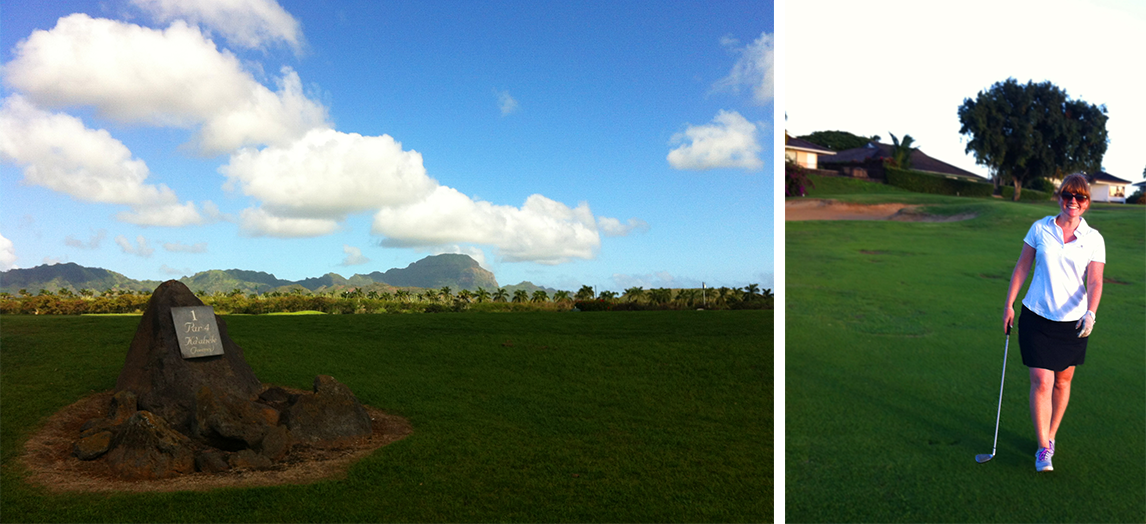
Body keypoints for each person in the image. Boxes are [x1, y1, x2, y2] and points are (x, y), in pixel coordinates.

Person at [1002, 172, 1105, 472]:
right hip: (1036, 315)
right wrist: (1009, 304)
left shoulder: (1094, 239)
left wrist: (1091, 313)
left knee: (1063, 381)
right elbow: (1023, 266)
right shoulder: (1040, 228)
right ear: (1059, 198)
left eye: (1079, 197)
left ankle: (1051, 435)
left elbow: (1095, 281)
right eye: (1067, 195)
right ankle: (1042, 448)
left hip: (1073, 321)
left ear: (1086, 203)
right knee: (1042, 381)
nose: (1073, 201)